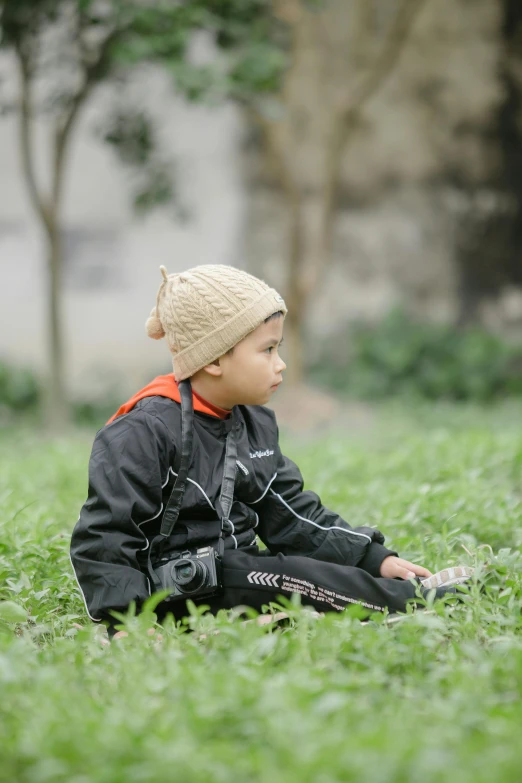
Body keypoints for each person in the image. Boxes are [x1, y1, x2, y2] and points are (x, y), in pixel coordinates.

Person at [70, 264, 472, 638]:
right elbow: (106, 536)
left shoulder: (253, 423)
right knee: (289, 575)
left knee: (281, 571)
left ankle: (372, 590)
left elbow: (292, 515)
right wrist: (128, 622)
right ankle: (420, 602)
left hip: (237, 576)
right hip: (177, 590)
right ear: (213, 358)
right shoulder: (142, 432)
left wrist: (370, 557)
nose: (281, 365)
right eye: (267, 350)